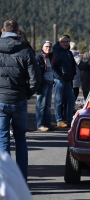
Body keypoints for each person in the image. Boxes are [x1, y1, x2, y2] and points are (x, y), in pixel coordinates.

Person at [0, 19, 41, 180]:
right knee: (20, 139)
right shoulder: (25, 50)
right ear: (17, 32)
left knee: (3, 138)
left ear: (3, 31)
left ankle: (4, 178)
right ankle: (22, 178)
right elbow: (35, 79)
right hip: (19, 99)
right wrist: (27, 93)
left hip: (1, 99)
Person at [52, 35, 76, 128]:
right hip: (59, 81)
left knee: (71, 99)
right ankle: (59, 120)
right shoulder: (56, 52)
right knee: (58, 100)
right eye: (63, 42)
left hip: (68, 80)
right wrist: (59, 76)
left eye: (67, 42)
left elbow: (72, 65)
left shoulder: (69, 53)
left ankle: (70, 119)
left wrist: (72, 75)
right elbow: (52, 66)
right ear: (59, 42)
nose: (65, 44)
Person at [35, 40, 54, 132]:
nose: (48, 48)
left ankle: (47, 123)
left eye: (49, 46)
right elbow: (37, 71)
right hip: (43, 83)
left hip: (50, 82)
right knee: (41, 105)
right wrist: (42, 82)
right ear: (42, 47)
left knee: (48, 105)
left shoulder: (50, 57)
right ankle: (40, 124)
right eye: (46, 46)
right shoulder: (39, 57)